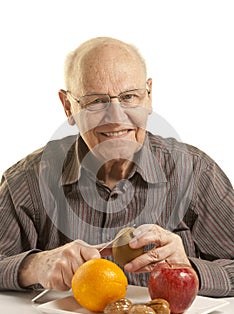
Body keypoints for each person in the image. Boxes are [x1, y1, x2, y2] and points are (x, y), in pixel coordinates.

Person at [0, 37, 233, 297]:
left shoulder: (198, 173)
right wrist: (32, 266)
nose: (116, 118)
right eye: (96, 101)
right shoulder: (25, 182)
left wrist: (187, 269)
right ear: (68, 107)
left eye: (129, 96)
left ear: (149, 97)